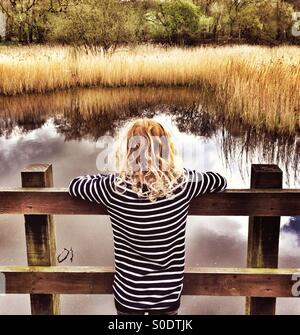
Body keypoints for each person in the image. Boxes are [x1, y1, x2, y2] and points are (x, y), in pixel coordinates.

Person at [68, 118, 227, 315]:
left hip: (129, 295)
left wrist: (109, 178)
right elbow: (219, 181)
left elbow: (75, 185)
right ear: (166, 150)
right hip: (167, 296)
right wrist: (179, 173)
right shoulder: (184, 184)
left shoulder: (113, 188)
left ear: (128, 150)